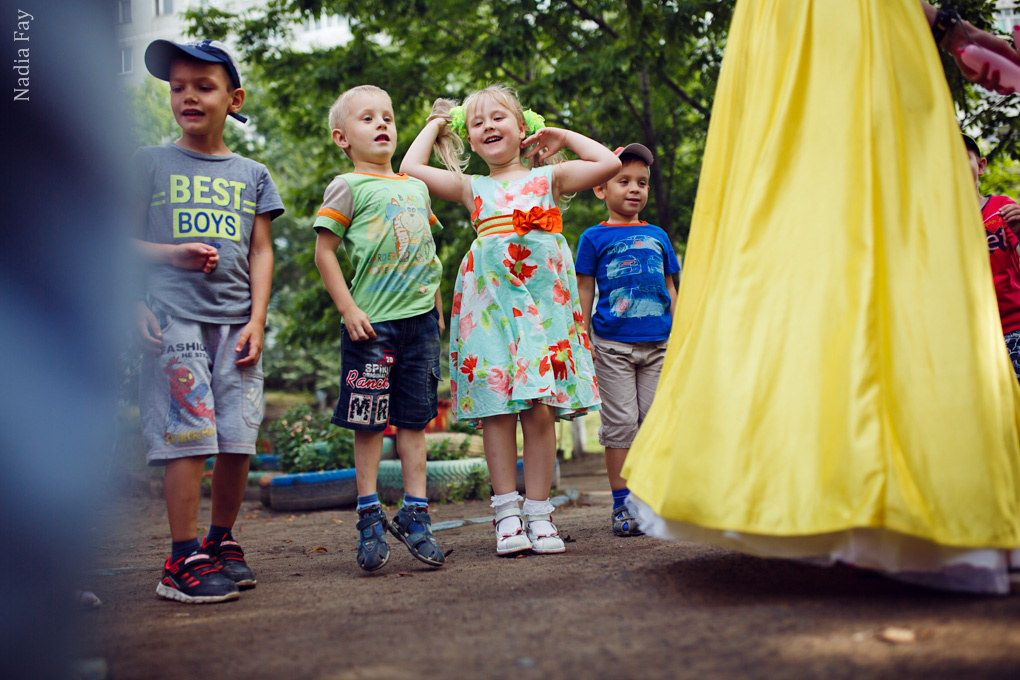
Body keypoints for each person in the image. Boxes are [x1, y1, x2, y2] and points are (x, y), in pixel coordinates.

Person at [621, 0, 1020, 594]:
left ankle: (815, 485)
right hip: (849, 26)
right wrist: (946, 26)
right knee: (872, 216)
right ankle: (867, 487)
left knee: (804, 223)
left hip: (790, 27)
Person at [400, 85, 620, 555]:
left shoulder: (551, 177)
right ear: (471, 143)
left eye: (498, 117)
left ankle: (540, 516)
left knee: (540, 411)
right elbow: (410, 169)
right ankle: (506, 517)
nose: (488, 127)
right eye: (476, 124)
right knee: (498, 411)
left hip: (543, 312)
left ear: (523, 128)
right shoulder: (471, 187)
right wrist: (440, 123)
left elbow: (608, 165)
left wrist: (560, 134)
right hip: (490, 311)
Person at [135, 39, 285, 603]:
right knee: (188, 439)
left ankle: (220, 542)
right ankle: (180, 558)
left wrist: (259, 317)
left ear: (233, 97)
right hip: (175, 322)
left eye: (203, 86)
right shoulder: (149, 162)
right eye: (178, 87)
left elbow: (262, 249)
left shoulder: (252, 172)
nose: (188, 97)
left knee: (237, 439)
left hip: (236, 325)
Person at [313, 85, 447, 573]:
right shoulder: (348, 186)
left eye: (387, 116)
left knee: (415, 423)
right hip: (372, 325)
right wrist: (348, 309)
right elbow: (324, 252)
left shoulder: (416, 185)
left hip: (420, 325)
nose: (382, 125)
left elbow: (426, 250)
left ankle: (416, 513)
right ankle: (369, 515)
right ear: (342, 137)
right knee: (369, 422)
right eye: (367, 119)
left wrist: (436, 310)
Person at [575, 143, 679, 537]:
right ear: (601, 189)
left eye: (642, 183)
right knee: (621, 424)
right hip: (612, 346)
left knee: (652, 423)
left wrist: (681, 332)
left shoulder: (658, 235)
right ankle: (622, 506)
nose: (635, 189)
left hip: (659, 346)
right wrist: (581, 335)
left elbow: (670, 290)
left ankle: (651, 500)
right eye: (624, 181)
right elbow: (585, 291)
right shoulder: (592, 238)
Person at [965, 134, 1020, 383]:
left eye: (962, 157)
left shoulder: (1001, 207)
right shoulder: (936, 227)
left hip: (1012, 327)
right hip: (970, 340)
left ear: (981, 166)